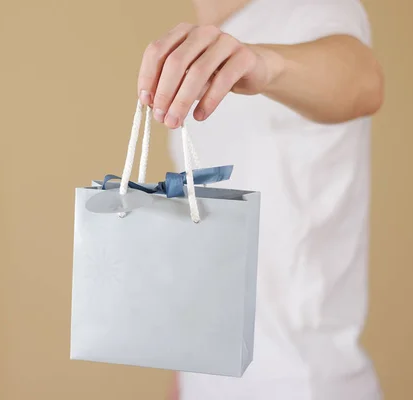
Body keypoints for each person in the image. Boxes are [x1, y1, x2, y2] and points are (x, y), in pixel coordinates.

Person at [136, 0, 384, 399]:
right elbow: (206, 249)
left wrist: (265, 64)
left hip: (300, 383)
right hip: (207, 381)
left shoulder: (311, 11)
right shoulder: (195, 51)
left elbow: (363, 81)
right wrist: (182, 380)